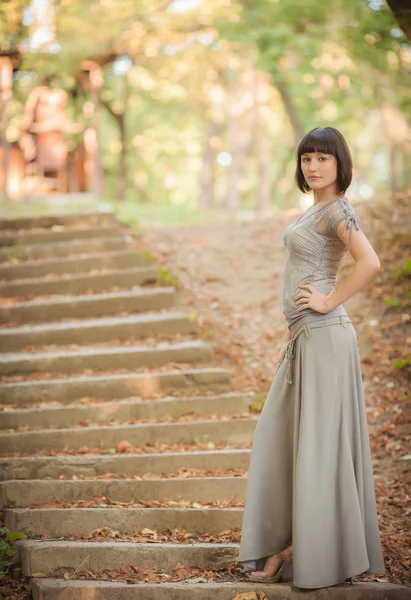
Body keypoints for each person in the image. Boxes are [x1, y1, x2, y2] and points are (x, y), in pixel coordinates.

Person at [237, 126, 386, 589]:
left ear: (340, 163)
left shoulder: (339, 209)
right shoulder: (317, 209)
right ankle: (292, 542)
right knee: (285, 438)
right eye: (307, 159)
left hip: (324, 334)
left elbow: (370, 262)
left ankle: (293, 550)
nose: (313, 166)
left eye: (322, 158)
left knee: (316, 446)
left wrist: (328, 300)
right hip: (306, 339)